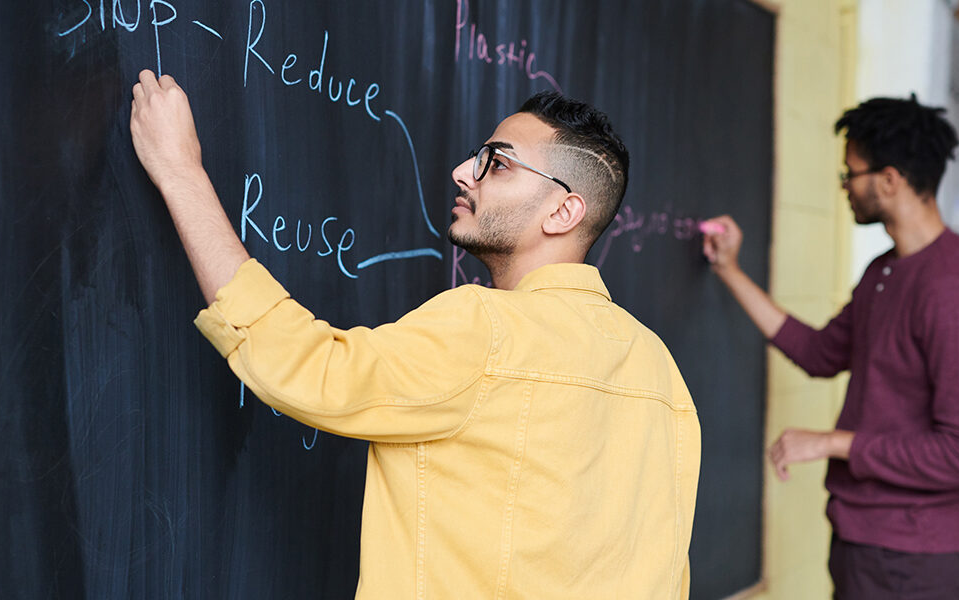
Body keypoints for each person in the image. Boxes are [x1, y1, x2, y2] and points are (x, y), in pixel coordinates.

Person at [129, 69, 699, 599]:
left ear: (563, 212)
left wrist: (181, 173)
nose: (463, 172)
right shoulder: (662, 373)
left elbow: (307, 368)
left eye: (497, 163)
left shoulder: (487, 327)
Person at [702, 95, 959, 599]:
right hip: (867, 541)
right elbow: (819, 353)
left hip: (911, 557)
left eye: (850, 174)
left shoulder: (949, 288)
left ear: (889, 180)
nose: (844, 187)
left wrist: (832, 442)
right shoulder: (885, 271)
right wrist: (729, 270)